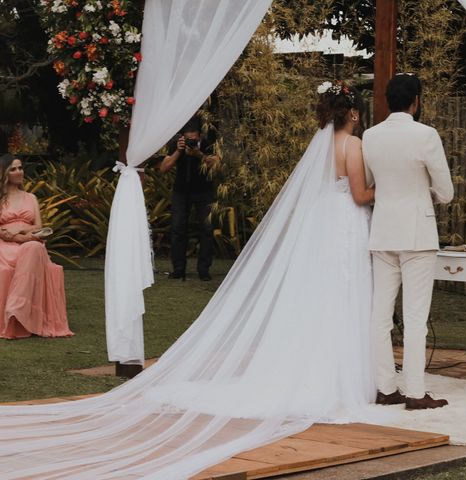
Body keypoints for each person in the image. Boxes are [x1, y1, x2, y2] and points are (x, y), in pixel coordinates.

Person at [0, 82, 395, 477]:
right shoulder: (354, 146)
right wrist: (390, 187)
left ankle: (315, 367)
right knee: (345, 295)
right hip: (344, 225)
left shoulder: (319, 147)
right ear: (354, 114)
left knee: (320, 297)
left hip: (321, 226)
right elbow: (360, 195)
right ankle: (340, 377)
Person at [362, 73, 454, 410]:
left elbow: (370, 182)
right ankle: (415, 392)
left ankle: (385, 388)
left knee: (380, 316)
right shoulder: (426, 135)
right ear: (415, 100)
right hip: (417, 234)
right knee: (415, 318)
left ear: (388, 100)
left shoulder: (370, 136)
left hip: (383, 231)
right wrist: (423, 189)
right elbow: (446, 193)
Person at [0, 154, 72, 339]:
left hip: (29, 242)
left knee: (34, 248)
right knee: (27, 249)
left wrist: (22, 230)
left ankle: (16, 307)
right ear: (5, 173)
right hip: (4, 246)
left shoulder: (30, 197)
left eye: (20, 168)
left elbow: (38, 226)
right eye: (13, 169)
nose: (19, 172)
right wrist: (15, 236)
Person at [159, 117, 222, 281]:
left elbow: (217, 166)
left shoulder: (208, 143)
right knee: (178, 228)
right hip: (181, 191)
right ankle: (178, 269)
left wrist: (198, 154)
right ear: (183, 137)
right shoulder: (176, 145)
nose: (190, 141)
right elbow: (163, 168)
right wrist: (179, 151)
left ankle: (204, 270)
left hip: (204, 191)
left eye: (193, 139)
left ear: (199, 136)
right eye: (188, 139)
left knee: (207, 230)